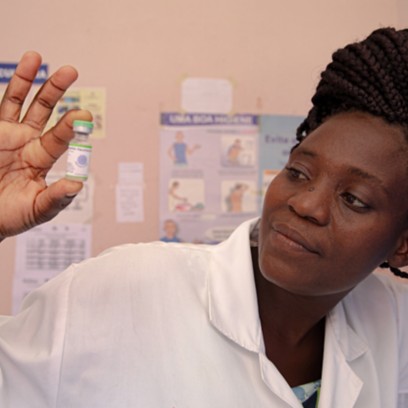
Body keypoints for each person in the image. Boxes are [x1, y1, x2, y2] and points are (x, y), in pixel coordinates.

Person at [1, 28, 408, 407]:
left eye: (354, 199)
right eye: (298, 172)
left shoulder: (393, 322)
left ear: (402, 244)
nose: (305, 205)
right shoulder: (122, 288)